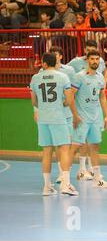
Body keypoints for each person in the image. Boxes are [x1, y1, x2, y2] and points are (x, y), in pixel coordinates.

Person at [30, 52, 78, 196]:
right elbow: (69, 100)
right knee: (64, 150)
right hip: (58, 117)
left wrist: (44, 106)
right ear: (55, 62)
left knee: (46, 152)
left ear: (44, 64)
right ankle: (65, 185)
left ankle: (46, 187)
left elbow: (34, 102)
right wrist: (60, 103)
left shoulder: (35, 78)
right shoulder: (62, 77)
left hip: (43, 118)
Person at [69, 50, 107, 189]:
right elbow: (71, 97)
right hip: (82, 118)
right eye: (92, 59)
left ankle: (97, 179)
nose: (95, 61)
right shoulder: (79, 77)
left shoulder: (100, 77)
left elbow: (102, 97)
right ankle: (65, 180)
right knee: (74, 148)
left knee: (94, 147)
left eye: (97, 59)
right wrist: (75, 115)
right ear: (87, 60)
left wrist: (106, 115)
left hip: (95, 118)